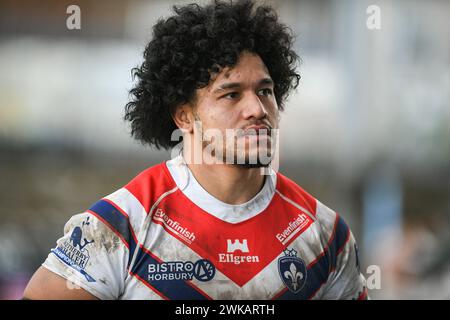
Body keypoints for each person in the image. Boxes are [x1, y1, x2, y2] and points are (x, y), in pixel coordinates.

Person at [23, 0, 368, 300]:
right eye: (231, 94)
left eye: (265, 91)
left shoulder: (324, 234)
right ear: (184, 115)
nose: (258, 109)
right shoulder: (121, 225)